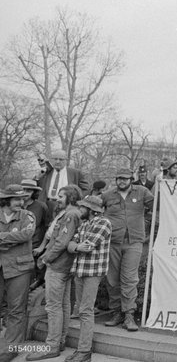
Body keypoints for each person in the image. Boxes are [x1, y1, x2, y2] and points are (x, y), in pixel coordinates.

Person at [29, 185, 82, 361]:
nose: (57, 199)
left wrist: (45, 258)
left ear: (71, 197)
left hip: (58, 266)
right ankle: (59, 342)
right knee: (63, 305)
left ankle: (51, 346)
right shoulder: (71, 213)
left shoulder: (70, 214)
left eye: (61, 196)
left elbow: (60, 242)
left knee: (53, 306)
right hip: (63, 266)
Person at [101, 169, 154, 332]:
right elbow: (95, 210)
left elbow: (158, 205)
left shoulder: (142, 192)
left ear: (131, 179)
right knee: (112, 279)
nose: (122, 181)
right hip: (113, 241)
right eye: (119, 178)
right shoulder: (108, 195)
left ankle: (129, 314)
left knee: (130, 278)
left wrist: (161, 182)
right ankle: (117, 312)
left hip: (134, 242)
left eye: (125, 179)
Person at [65, 195, 112, 362]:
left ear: (91, 210)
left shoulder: (104, 223)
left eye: (83, 207)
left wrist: (76, 246)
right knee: (81, 310)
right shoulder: (84, 223)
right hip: (80, 271)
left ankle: (84, 351)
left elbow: (88, 246)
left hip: (93, 272)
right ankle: (82, 350)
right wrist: (77, 246)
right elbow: (71, 245)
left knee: (85, 310)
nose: (80, 210)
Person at [0, 185, 35, 362]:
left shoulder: (27, 216)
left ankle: (10, 349)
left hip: (19, 268)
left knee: (16, 309)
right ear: (6, 200)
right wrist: (11, 238)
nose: (21, 202)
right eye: (16, 199)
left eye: (22, 199)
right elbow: (18, 236)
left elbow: (26, 235)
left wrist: (1, 237)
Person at [37, 149, 89, 217]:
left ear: (66, 160)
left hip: (65, 206)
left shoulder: (75, 173)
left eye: (61, 159)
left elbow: (86, 189)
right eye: (55, 159)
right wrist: (38, 176)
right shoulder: (46, 172)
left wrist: (76, 201)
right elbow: (36, 185)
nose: (57, 162)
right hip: (46, 204)